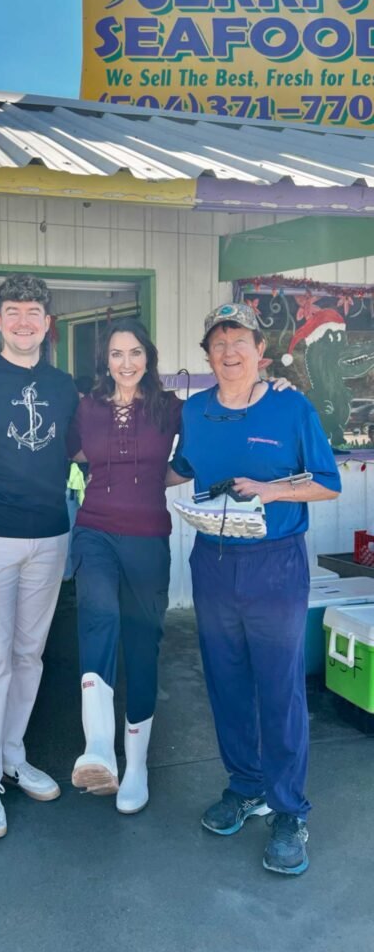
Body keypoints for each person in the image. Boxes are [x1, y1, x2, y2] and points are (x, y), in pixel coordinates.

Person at [169, 302, 341, 876]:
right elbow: (180, 467)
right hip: (213, 562)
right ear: (208, 356)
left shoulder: (291, 408)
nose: (229, 352)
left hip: (274, 565)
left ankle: (289, 810)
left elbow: (325, 484)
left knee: (280, 686)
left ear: (260, 352)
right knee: (226, 681)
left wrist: (270, 491)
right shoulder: (195, 411)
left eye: (239, 340)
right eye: (218, 343)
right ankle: (245, 785)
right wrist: (119, 464)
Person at [0, 274, 78, 838]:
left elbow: (89, 445)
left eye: (34, 311)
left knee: (30, 654)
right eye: (13, 311)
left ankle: (11, 753)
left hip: (51, 532)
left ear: (47, 323)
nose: (24, 320)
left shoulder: (65, 386)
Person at [67, 319, 183, 814]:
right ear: (105, 361)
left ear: (149, 357)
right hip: (94, 529)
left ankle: (135, 765)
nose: (127, 363)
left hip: (148, 537)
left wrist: (271, 385)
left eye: (135, 352)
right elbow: (58, 452)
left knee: (142, 642)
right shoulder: (86, 409)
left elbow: (202, 452)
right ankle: (99, 748)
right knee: (98, 617)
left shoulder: (171, 408)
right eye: (117, 354)